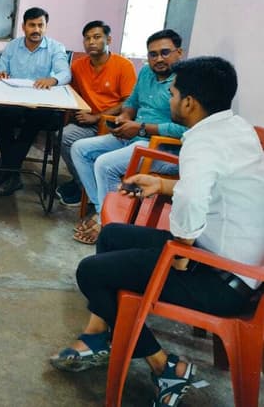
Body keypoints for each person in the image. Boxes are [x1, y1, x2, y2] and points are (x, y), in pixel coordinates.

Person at [51, 56, 264, 407]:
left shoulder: (203, 142)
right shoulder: (236, 128)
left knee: (90, 272)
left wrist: (180, 249)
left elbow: (192, 201)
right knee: (112, 235)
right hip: (232, 263)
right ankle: (97, 334)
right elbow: (213, 189)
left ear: (189, 103)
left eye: (174, 94)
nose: (170, 99)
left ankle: (165, 366)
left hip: (220, 279)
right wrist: (162, 185)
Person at [70, 29, 185, 244]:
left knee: (105, 164)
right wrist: (124, 118)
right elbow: (131, 102)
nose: (158, 59)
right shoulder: (146, 72)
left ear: (179, 52)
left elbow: (186, 130)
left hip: (162, 148)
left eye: (165, 52)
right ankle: (103, 210)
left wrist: (141, 128)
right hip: (133, 136)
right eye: (153, 54)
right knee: (79, 149)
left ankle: (108, 225)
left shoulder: (186, 82)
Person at [0, 7, 71, 195]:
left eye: (41, 25)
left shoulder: (55, 48)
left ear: (46, 27)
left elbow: (65, 73)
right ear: (24, 27)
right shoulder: (13, 46)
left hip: (41, 105)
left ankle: (6, 169)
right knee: (4, 115)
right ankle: (12, 171)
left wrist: (53, 79)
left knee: (36, 119)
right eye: (32, 25)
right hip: (14, 101)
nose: (36, 29)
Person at [55, 21, 137, 207]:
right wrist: (77, 111)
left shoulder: (124, 65)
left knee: (68, 138)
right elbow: (73, 95)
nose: (91, 42)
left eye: (97, 37)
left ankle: (88, 190)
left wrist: (97, 117)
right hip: (86, 121)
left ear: (109, 40)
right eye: (87, 38)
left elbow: (129, 102)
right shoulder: (78, 66)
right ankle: (82, 184)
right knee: (62, 136)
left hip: (111, 123)